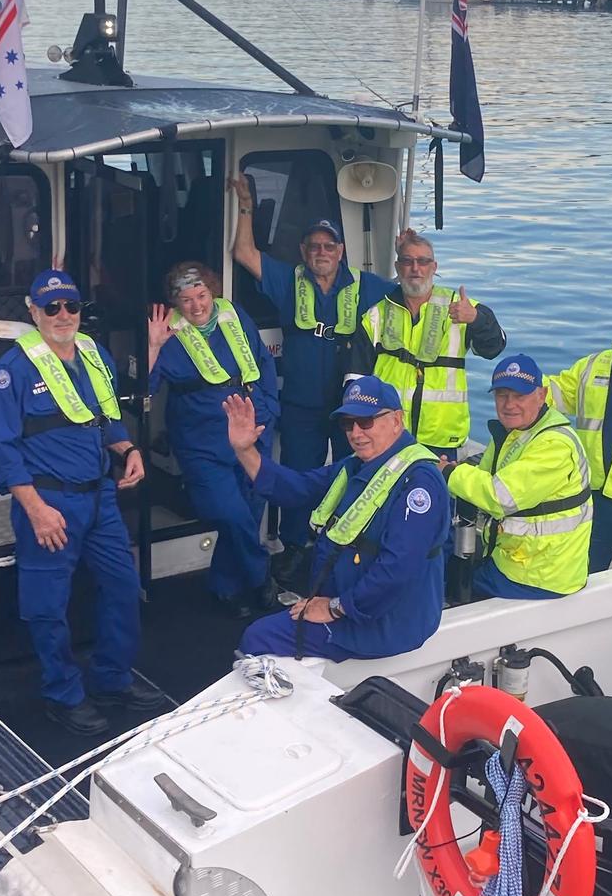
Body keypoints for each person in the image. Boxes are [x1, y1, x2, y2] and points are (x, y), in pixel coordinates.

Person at [0, 269, 164, 736]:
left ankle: (112, 678)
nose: (63, 315)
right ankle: (63, 693)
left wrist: (128, 450)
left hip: (100, 498)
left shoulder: (93, 354)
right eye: (51, 308)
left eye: (71, 306)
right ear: (33, 311)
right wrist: (35, 509)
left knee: (123, 588)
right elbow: (3, 453)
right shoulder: (15, 369)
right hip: (48, 503)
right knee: (48, 605)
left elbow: (106, 420)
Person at [228, 173, 395, 585]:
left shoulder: (367, 286)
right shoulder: (289, 280)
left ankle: (346, 543)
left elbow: (409, 294)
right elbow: (243, 252)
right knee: (298, 475)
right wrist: (246, 205)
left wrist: (409, 250)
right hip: (301, 404)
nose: (321, 251)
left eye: (329, 245)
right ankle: (294, 548)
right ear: (303, 251)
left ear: (341, 250)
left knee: (355, 472)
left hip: (350, 408)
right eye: (314, 246)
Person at [222, 376, 450, 661]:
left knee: (258, 639)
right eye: (347, 424)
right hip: (348, 605)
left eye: (366, 422)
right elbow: (295, 489)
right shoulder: (355, 466)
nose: (355, 433)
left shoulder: (419, 483)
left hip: (382, 622)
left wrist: (334, 608)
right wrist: (245, 450)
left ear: (396, 420)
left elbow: (397, 569)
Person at [148, 262, 279, 618]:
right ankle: (260, 578)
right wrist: (153, 347)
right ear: (175, 303)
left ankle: (225, 587)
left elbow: (262, 363)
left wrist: (271, 408)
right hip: (202, 443)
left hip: (254, 431)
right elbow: (143, 391)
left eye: (202, 295)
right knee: (231, 515)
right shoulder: (167, 332)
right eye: (186, 299)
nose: (196, 305)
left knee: (250, 513)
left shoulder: (233, 315)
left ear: (213, 292)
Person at [440, 354, 592, 600]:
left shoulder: (554, 444)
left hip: (539, 574)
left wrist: (449, 473)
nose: (509, 404)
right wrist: (456, 474)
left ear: (542, 395)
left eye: (519, 396)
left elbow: (499, 497)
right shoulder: (516, 431)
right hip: (519, 556)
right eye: (502, 395)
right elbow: (482, 476)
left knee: (446, 585)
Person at [347, 228, 506, 459]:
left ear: (434, 267)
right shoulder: (376, 315)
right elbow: (355, 379)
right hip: (388, 436)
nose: (415, 268)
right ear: (398, 267)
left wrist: (477, 319)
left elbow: (495, 346)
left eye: (423, 262)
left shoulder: (459, 305)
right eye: (408, 261)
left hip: (442, 439)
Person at [546, 317, 612, 572]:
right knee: (584, 578)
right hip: (593, 497)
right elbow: (554, 392)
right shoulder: (592, 366)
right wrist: (518, 380)